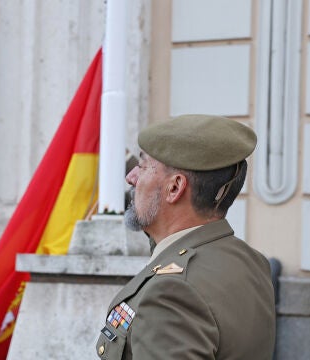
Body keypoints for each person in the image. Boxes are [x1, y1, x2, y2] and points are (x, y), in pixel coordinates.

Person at [95, 114, 276, 359]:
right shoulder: (251, 261)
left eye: (143, 165)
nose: (131, 178)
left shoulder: (171, 293)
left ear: (174, 188)